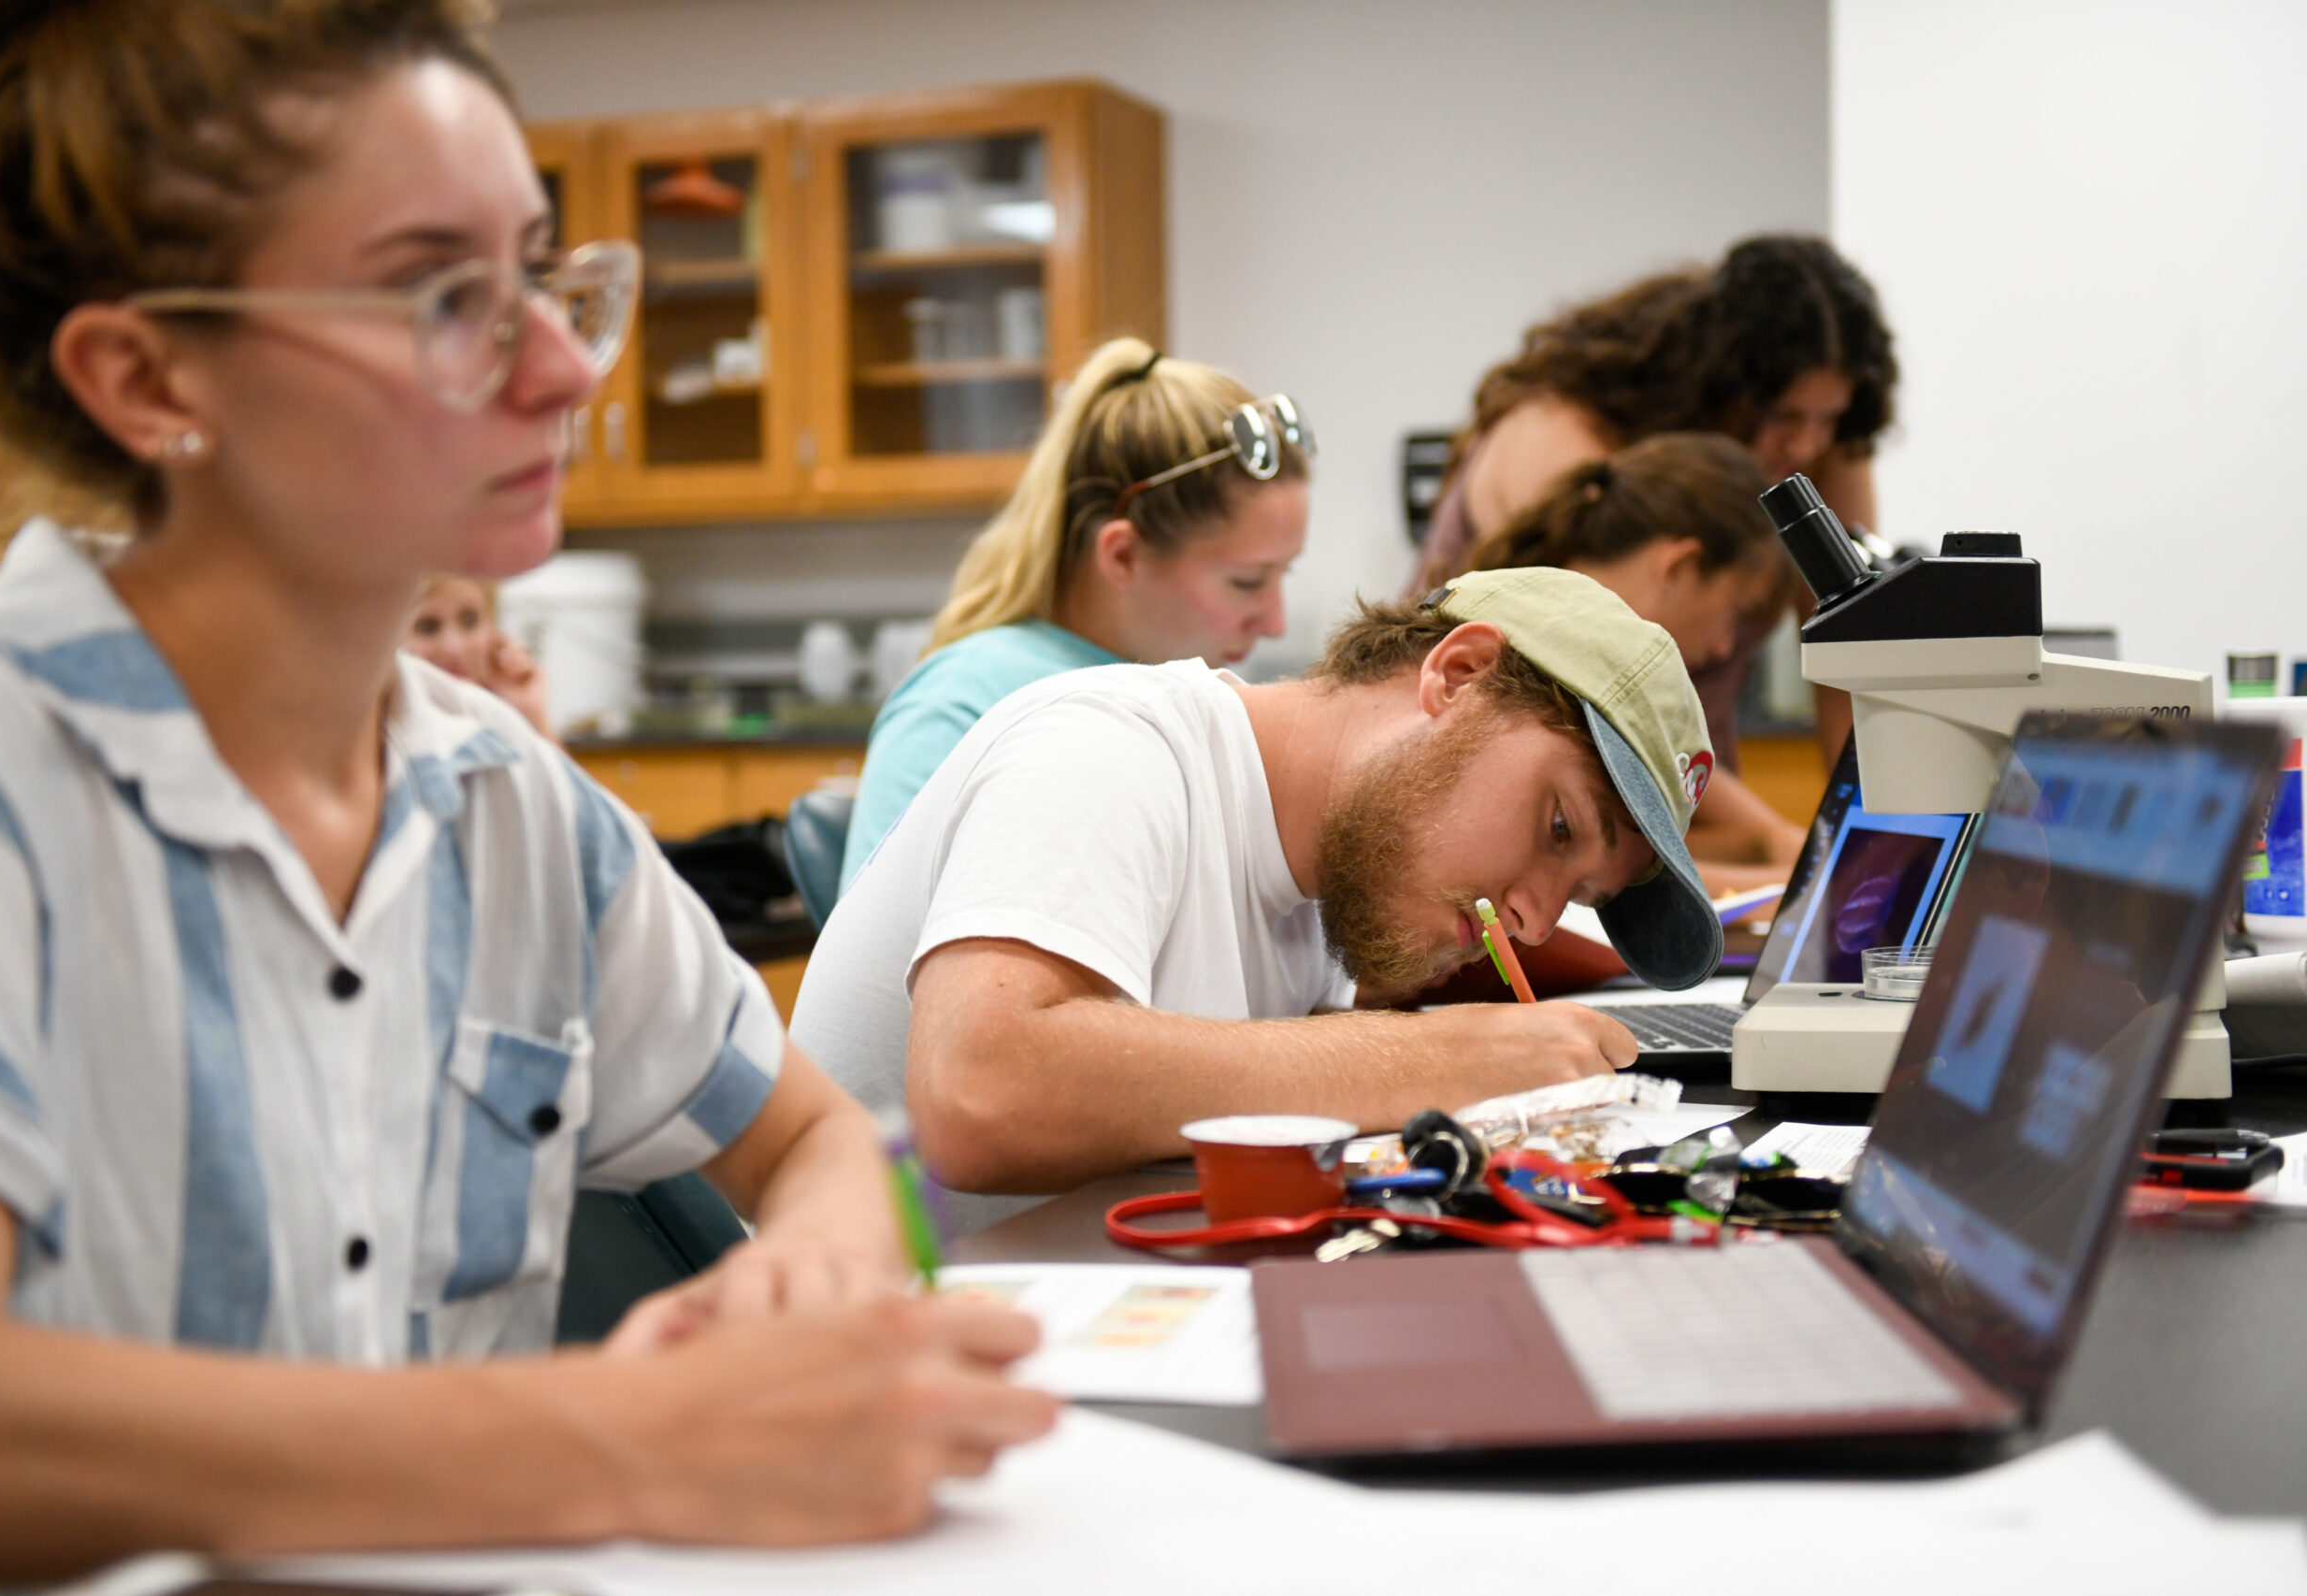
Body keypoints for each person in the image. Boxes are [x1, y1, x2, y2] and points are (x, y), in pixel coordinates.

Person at [0, 0, 1051, 1576]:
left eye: (544, 271)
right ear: (147, 372)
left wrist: (806, 1282)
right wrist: (636, 1437)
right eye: (445, 294)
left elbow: (816, 1144)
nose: (571, 361)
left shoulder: (514, 801)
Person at [791, 567, 1723, 1229]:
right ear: (1457, 674)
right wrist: (1433, 1057)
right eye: (1558, 827)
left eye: (1581, 894)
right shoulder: (1108, 752)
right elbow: (976, 1093)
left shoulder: (1331, 883)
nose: (1530, 920)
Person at [1410, 234, 1898, 771]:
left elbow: (1848, 662)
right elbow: (1612, 710)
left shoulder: (1819, 450)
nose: (1806, 445)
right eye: (1784, 416)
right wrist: (1771, 840)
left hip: (1682, 771)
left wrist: (1868, 829)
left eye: (1827, 419)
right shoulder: (1571, 440)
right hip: (1525, 759)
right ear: (1722, 389)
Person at [839, 336, 1309, 887]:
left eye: (1284, 574)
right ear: (1123, 555)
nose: (1274, 622)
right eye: (1247, 581)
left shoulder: (1195, 695)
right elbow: (881, 964)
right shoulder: (958, 710)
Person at [1462, 433, 1803, 875]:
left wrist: (1771, 843)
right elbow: (1583, 878)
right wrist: (1794, 892)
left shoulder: (1574, 655)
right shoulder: (1541, 670)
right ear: (1679, 567)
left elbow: (1717, 824)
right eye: (1733, 613)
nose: (1723, 647)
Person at [404, 573, 552, 736]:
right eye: (427, 627)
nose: (454, 648)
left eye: (470, 621)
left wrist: (530, 715)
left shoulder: (501, 713)